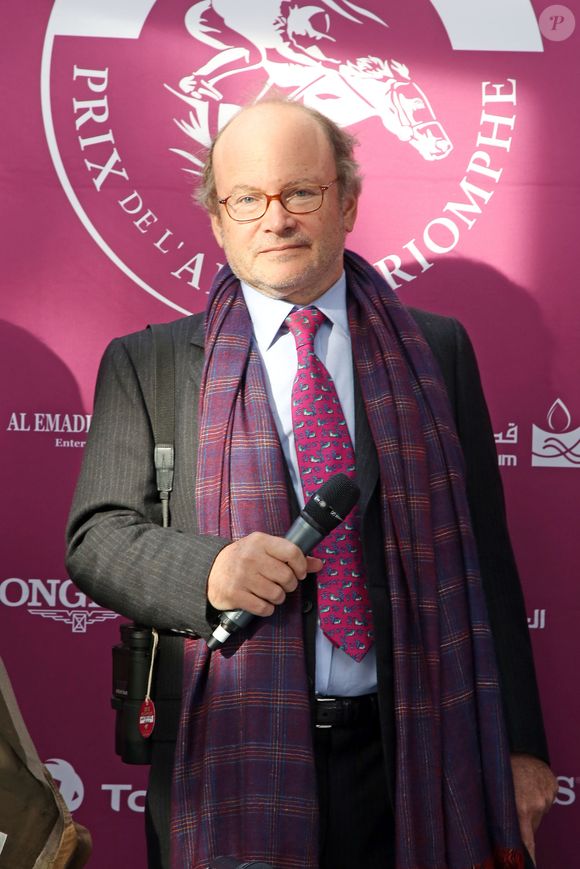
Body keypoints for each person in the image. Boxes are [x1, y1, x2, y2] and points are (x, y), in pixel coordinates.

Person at [66, 99, 557, 869]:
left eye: (301, 192)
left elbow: (486, 561)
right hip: (229, 754)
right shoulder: (150, 363)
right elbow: (96, 537)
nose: (276, 219)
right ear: (219, 222)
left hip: (415, 750)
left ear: (347, 202)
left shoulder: (436, 351)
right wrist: (211, 569)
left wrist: (522, 747)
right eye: (247, 199)